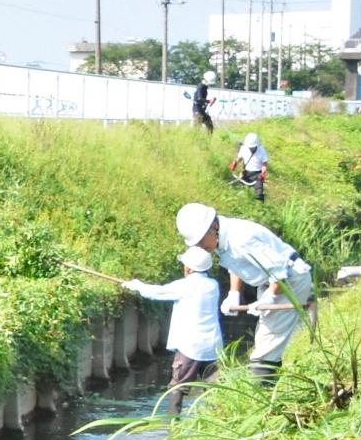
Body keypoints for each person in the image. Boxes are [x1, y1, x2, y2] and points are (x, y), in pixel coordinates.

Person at [176, 202, 313, 384]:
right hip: (270, 282)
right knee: (266, 340)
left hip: (290, 281)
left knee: (266, 346)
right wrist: (234, 293)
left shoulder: (242, 238)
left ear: (213, 226)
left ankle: (260, 395)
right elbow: (236, 266)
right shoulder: (219, 239)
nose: (200, 246)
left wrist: (270, 298)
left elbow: (280, 272)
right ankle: (269, 386)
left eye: (201, 241)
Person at [123, 246, 223, 412]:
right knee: (213, 389)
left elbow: (157, 293)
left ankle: (172, 425)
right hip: (212, 346)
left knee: (177, 387)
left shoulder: (185, 286)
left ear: (189, 268)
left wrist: (136, 285)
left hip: (190, 347)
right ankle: (218, 420)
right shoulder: (213, 285)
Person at [229, 132, 269, 202]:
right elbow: (239, 158)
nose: (251, 148)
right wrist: (235, 163)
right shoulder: (243, 148)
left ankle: (260, 204)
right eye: (250, 147)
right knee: (243, 188)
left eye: (253, 147)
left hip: (257, 174)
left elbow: (264, 164)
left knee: (259, 192)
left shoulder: (262, 150)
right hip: (247, 172)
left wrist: (263, 173)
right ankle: (245, 201)